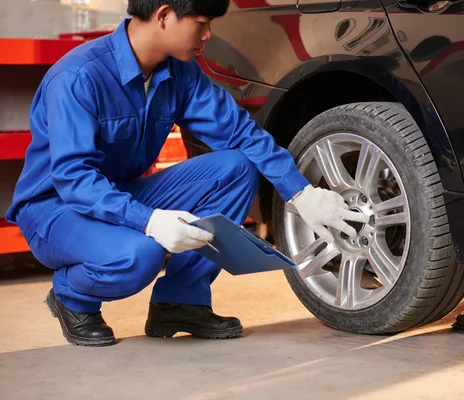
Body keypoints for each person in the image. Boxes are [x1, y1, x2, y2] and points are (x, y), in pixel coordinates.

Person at [6, 0, 369, 347]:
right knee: (138, 256)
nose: (208, 34)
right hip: (55, 209)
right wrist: (150, 221)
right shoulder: (78, 77)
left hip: (121, 192)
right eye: (201, 23)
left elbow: (240, 134)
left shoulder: (179, 72)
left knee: (236, 166)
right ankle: (72, 296)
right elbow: (74, 180)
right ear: (164, 16)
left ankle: (179, 304)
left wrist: (301, 192)